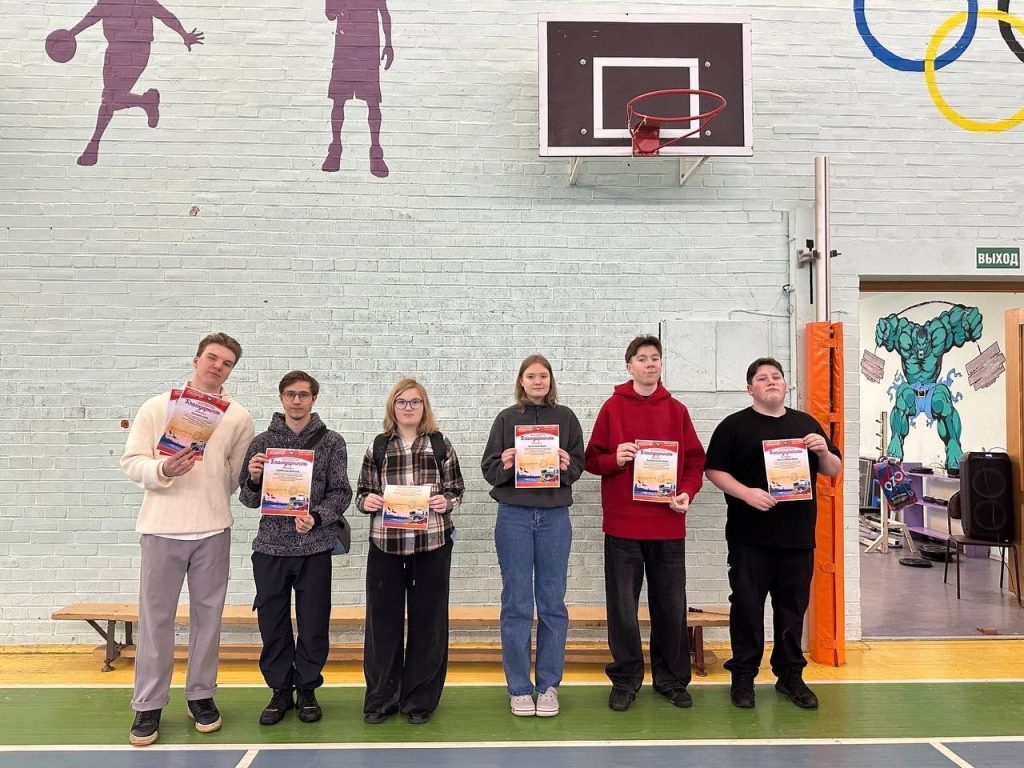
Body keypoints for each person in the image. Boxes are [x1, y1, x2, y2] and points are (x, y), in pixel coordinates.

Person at [120, 333, 255, 747]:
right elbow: (132, 462)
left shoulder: (239, 417)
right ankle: (148, 703)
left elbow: (234, 476)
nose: (218, 366)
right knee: (155, 620)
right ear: (196, 360)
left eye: (227, 363)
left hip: (213, 530)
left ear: (231, 371)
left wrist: (212, 493)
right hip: (161, 529)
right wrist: (163, 470)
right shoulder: (156, 406)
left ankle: (201, 695)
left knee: (208, 619)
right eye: (212, 358)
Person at [704, 357, 842, 710]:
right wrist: (746, 493)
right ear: (750, 388)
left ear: (785, 384)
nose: (770, 382)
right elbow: (714, 470)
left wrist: (823, 450)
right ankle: (743, 676)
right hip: (749, 537)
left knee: (792, 609)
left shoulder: (806, 424)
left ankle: (790, 676)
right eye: (762, 378)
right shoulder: (734, 426)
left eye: (776, 377)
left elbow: (833, 469)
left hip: (797, 536)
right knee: (747, 608)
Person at [584, 335, 706, 712]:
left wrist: (686, 492)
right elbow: (591, 460)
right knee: (622, 609)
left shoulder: (677, 410)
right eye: (642, 358)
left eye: (655, 358)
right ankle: (625, 679)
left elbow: (694, 461)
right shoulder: (612, 408)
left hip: (667, 525)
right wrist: (615, 459)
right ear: (629, 366)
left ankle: (671, 679)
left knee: (670, 607)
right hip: (623, 528)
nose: (650, 363)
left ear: (661, 364)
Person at [238, 371, 352, 726]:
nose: (297, 400)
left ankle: (307, 688)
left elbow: (341, 492)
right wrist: (254, 477)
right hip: (270, 548)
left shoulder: (331, 442)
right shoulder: (261, 443)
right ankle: (279, 690)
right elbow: (247, 499)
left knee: (314, 622)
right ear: (281, 398)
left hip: (314, 547)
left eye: (304, 394)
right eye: (291, 394)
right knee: (272, 623)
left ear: (313, 399)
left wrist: (316, 518)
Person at [481, 354, 586, 717]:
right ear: (521, 381)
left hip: (555, 516)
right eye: (531, 376)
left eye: (544, 376)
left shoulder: (567, 418)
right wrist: (506, 463)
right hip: (514, 516)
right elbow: (488, 469)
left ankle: (548, 686)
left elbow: (579, 466)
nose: (538, 381)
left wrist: (566, 466)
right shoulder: (506, 419)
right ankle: (519, 688)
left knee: (553, 603)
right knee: (517, 603)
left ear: (550, 380)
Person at [355, 378, 464, 724]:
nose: (408, 407)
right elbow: (362, 493)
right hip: (386, 545)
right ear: (393, 406)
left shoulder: (441, 445)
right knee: (382, 624)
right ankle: (381, 698)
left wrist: (445, 502)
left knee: (428, 623)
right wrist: (367, 502)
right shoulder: (378, 446)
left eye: (415, 402)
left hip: (431, 545)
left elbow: (456, 490)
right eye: (401, 402)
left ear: (423, 407)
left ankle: (420, 700)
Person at [60, 0, 204, 166]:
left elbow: (164, 14)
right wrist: (71, 34)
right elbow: (94, 15)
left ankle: (93, 146)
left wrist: (184, 34)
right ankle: (145, 102)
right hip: (114, 50)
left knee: (110, 99)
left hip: (136, 51)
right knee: (108, 100)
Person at [322, 0, 394, 176]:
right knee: (338, 100)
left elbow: (384, 12)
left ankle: (376, 153)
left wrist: (389, 44)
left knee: (373, 103)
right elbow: (330, 14)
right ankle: (335, 149)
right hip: (345, 47)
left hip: (368, 49)